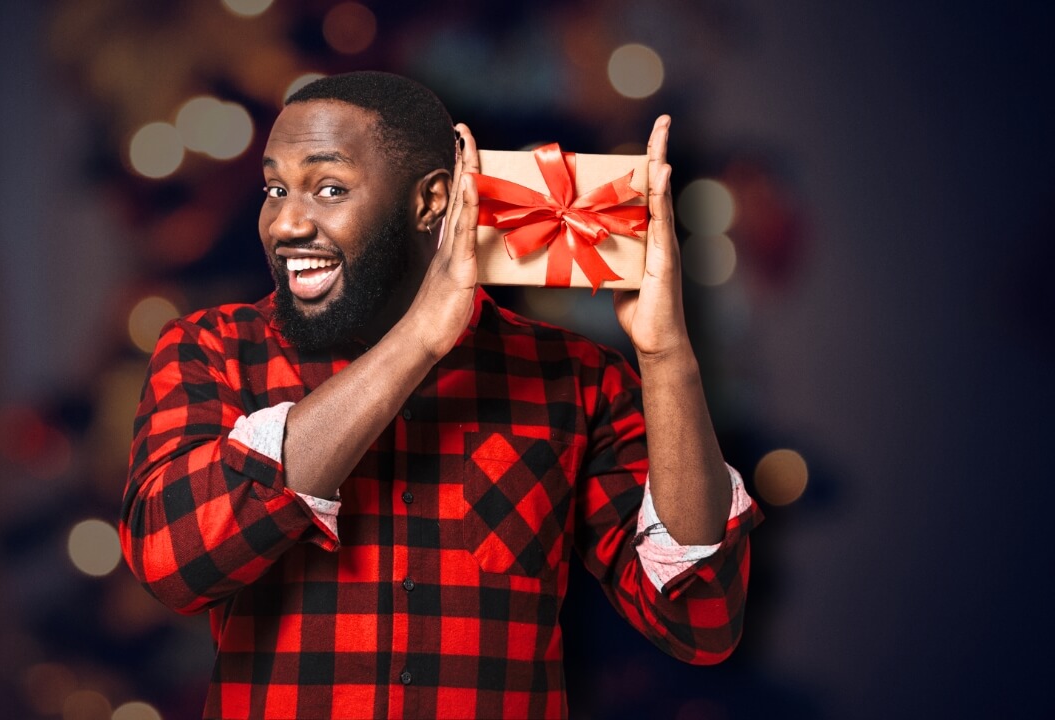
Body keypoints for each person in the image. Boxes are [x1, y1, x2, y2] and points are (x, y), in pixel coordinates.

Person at [120, 71, 759, 719]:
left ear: (430, 202)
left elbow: (700, 619)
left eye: (329, 188)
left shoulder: (575, 378)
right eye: (276, 189)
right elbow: (171, 561)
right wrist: (420, 337)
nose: (284, 222)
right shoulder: (213, 350)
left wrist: (666, 354)